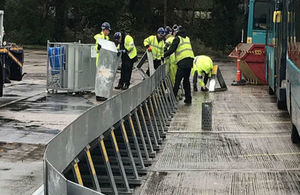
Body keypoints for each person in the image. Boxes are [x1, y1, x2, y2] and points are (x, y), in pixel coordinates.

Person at [164, 26, 194, 104]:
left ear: (176, 33)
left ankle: (172, 99)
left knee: (177, 80)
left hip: (182, 61)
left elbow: (171, 50)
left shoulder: (177, 39)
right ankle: (188, 99)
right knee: (186, 80)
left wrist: (163, 55)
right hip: (190, 60)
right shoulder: (187, 38)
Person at [93, 22, 110, 101]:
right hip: (100, 61)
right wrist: (99, 47)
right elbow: (96, 48)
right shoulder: (99, 37)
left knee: (103, 79)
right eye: (108, 30)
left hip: (104, 61)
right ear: (104, 30)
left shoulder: (106, 38)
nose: (109, 32)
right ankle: (98, 95)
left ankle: (102, 94)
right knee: (100, 79)